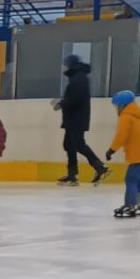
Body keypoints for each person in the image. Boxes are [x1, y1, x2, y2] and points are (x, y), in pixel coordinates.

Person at [105, 90, 140, 219]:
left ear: (123, 105)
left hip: (138, 156)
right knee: (138, 179)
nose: (116, 109)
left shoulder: (126, 117)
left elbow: (121, 136)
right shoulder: (139, 117)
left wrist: (111, 150)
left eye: (117, 106)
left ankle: (130, 205)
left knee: (130, 179)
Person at [54, 55, 105, 183]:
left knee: (78, 144)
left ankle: (99, 166)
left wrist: (62, 103)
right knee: (68, 144)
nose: (64, 67)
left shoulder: (79, 78)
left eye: (66, 65)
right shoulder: (77, 77)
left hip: (76, 119)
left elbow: (75, 99)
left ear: (71, 65)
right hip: (73, 118)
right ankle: (73, 174)